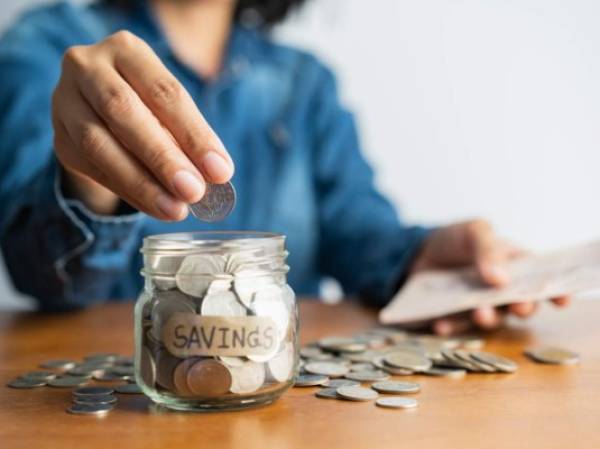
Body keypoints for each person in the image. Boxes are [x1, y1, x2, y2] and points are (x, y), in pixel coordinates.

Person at [0, 0, 568, 334]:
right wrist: (88, 177)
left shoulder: (305, 82)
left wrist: (422, 257)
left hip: (280, 396)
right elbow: (41, 274)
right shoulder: (49, 47)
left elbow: (359, 235)